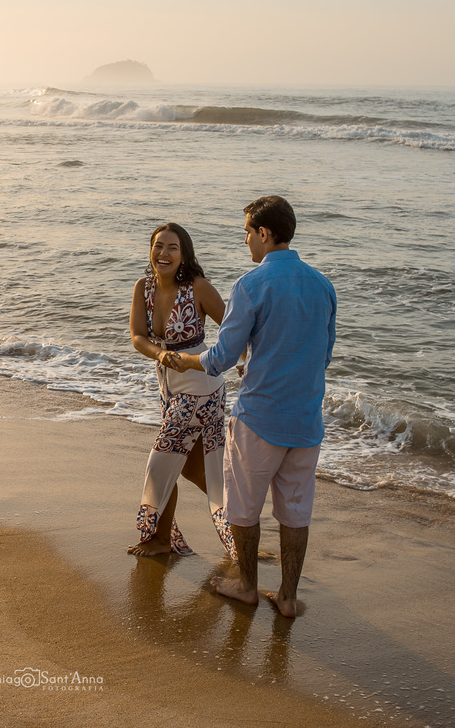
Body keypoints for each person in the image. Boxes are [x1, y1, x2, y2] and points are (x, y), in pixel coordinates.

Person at [168, 196, 336, 617]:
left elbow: (221, 356)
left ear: (264, 233)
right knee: (295, 513)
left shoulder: (250, 284)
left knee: (242, 506)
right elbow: (323, 353)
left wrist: (185, 359)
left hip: (259, 418)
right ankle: (289, 598)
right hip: (306, 420)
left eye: (247, 232)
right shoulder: (323, 285)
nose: (246, 240)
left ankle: (246, 586)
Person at [128, 223, 235, 560]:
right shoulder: (143, 288)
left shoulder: (199, 288)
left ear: (184, 254)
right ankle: (241, 525)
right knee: (191, 469)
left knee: (161, 460)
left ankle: (159, 539)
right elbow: (137, 337)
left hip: (203, 388)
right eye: (158, 246)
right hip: (170, 388)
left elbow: (234, 332)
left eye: (172, 247)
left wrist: (250, 366)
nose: (164, 253)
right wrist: (160, 354)